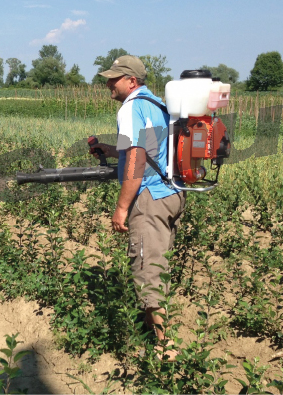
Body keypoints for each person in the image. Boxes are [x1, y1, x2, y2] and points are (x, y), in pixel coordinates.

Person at [90, 55, 186, 360]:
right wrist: (111, 150)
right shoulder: (156, 104)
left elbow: (137, 159)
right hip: (170, 194)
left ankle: (165, 350)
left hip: (149, 198)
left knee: (147, 270)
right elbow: (151, 149)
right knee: (156, 265)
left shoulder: (131, 107)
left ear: (132, 81)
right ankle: (152, 334)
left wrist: (121, 208)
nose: (109, 83)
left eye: (114, 78)